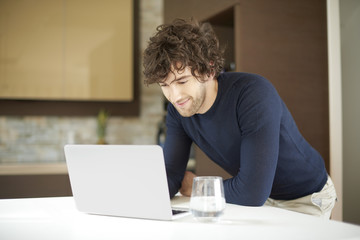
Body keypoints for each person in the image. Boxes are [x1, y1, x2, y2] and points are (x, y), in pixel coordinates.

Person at [143, 18, 337, 218]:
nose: (175, 96)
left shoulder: (253, 94)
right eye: (165, 85)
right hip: (261, 198)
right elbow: (171, 174)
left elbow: (252, 192)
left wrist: (199, 187)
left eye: (182, 81)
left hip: (304, 197)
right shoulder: (178, 111)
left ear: (209, 70)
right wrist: (139, 197)